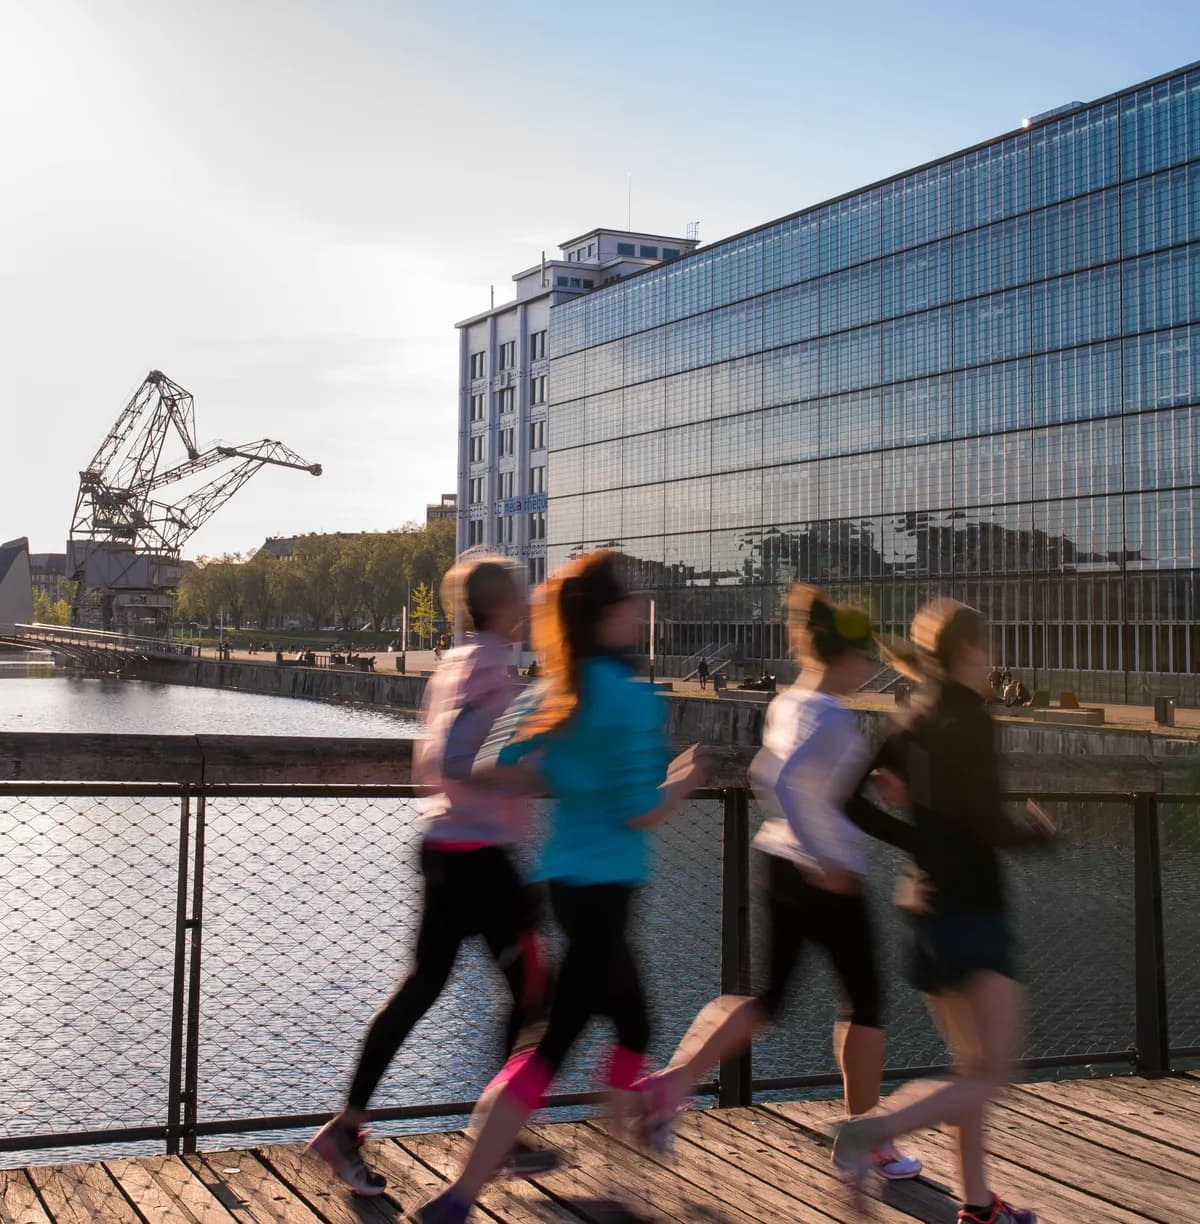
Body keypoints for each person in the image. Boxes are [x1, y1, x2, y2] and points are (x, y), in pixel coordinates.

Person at [407, 550, 710, 1223]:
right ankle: (460, 1196)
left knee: (634, 1023)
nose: (639, 608)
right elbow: (640, 811)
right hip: (606, 890)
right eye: (629, 600)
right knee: (554, 1047)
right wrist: (687, 780)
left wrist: (564, 775)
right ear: (606, 616)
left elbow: (492, 760)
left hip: (566, 883)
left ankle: (623, 1183)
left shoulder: (555, 689)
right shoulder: (631, 699)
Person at [636, 586, 921, 1182]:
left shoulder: (791, 701)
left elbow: (770, 772)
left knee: (769, 999)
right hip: (827, 873)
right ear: (846, 657)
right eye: (867, 659)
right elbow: (790, 779)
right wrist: (822, 855)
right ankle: (865, 1141)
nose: (871, 671)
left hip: (778, 859)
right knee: (865, 1006)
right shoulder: (832, 713)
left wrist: (834, 810)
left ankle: (669, 1084)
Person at [307, 557, 554, 1197]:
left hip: (448, 845)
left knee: (425, 989)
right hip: (481, 856)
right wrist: (531, 777)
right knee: (533, 994)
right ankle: (499, 1136)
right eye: (521, 596)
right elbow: (457, 758)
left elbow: (440, 758)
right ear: (503, 607)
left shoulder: (456, 662)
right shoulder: (487, 666)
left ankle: (347, 1128)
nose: (528, 604)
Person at [831, 599, 1055, 1224]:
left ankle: (979, 1207)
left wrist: (914, 840)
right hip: (974, 909)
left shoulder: (908, 720)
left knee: (969, 1070)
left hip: (923, 906)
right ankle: (869, 1133)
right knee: (993, 1072)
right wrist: (1039, 834)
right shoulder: (971, 720)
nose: (990, 663)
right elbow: (986, 823)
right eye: (987, 650)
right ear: (970, 653)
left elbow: (846, 798)